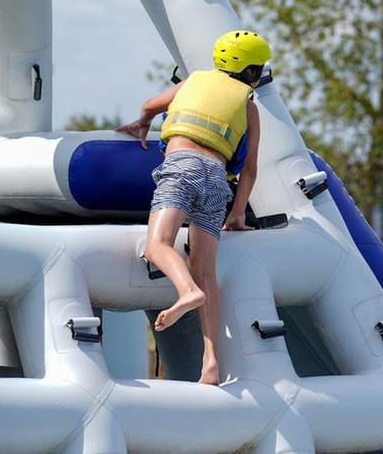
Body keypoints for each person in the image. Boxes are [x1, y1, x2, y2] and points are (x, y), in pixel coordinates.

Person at [115, 30, 271, 385]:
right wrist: (238, 214)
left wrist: (142, 125)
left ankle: (186, 291)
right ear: (250, 72)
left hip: (181, 166)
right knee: (206, 271)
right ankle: (211, 365)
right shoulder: (249, 105)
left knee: (158, 245)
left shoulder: (191, 82)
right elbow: (249, 170)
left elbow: (149, 107)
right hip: (217, 178)